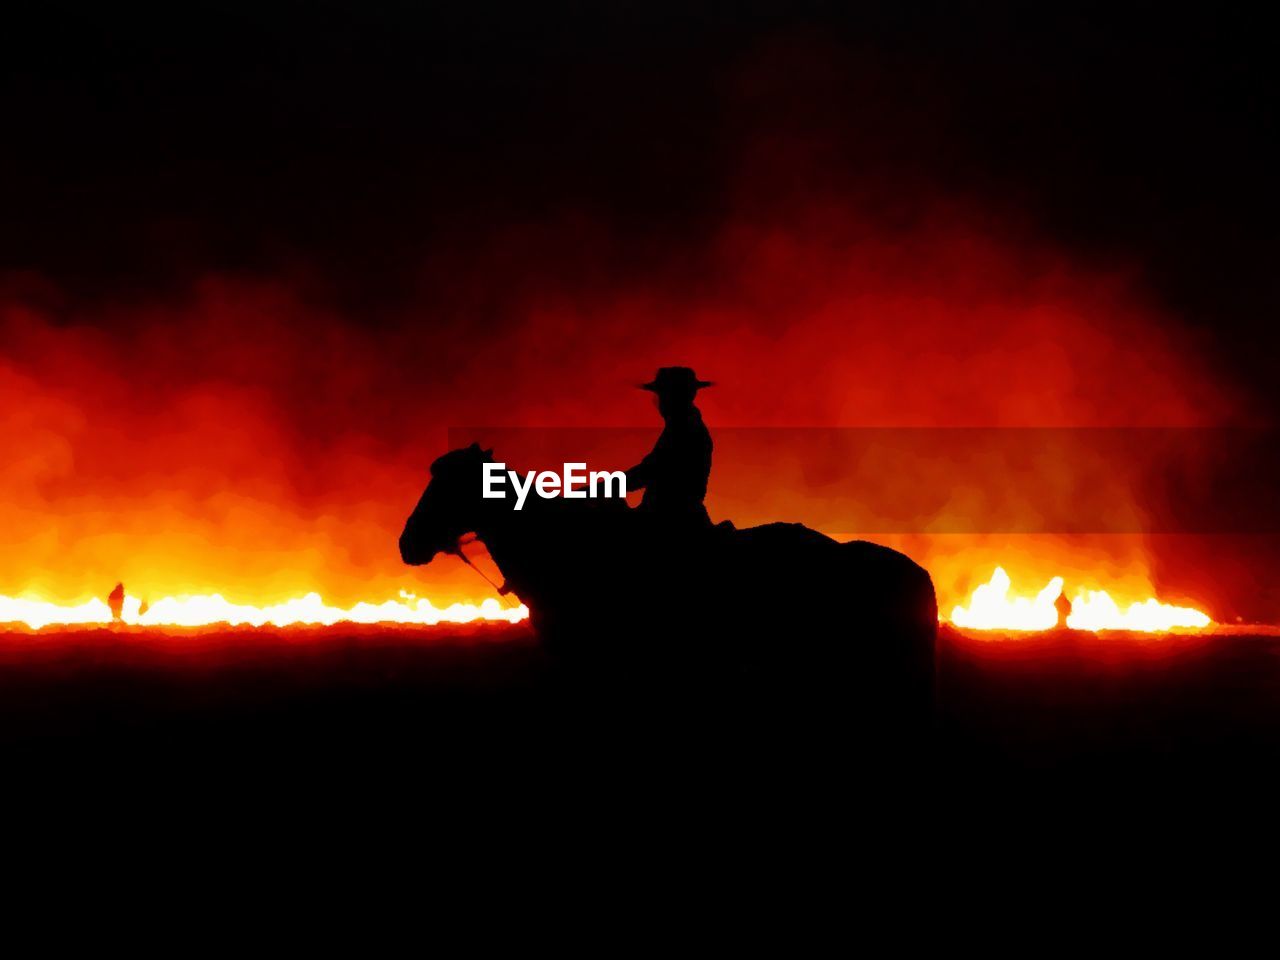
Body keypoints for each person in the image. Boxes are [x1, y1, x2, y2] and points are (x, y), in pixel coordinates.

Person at [625, 366, 714, 531]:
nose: (657, 401)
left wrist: (595, 489)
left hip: (671, 519)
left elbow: (646, 473)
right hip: (678, 515)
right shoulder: (684, 427)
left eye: (662, 395)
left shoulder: (685, 431)